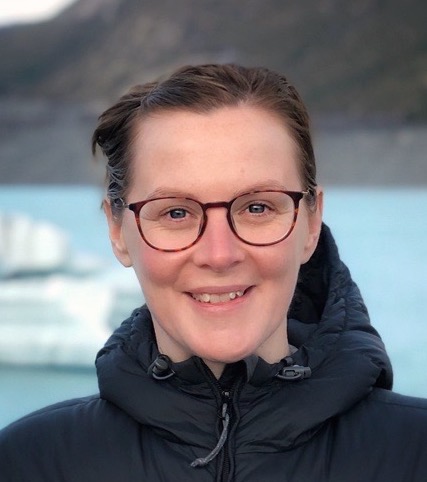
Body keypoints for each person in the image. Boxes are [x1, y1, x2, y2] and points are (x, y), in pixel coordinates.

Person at [0, 64, 426, 482]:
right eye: (176, 212)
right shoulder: (29, 464)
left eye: (257, 207)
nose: (219, 254)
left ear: (311, 224)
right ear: (117, 231)